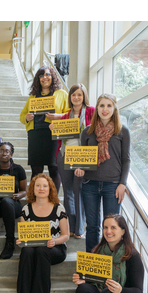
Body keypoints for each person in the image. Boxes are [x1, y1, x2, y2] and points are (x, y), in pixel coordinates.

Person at [75, 93, 131, 253]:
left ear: (114, 109)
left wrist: (122, 184)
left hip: (113, 186)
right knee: (92, 226)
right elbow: (82, 159)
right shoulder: (87, 132)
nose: (105, 109)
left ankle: (110, 265)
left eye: (109, 106)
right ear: (97, 108)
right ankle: (92, 266)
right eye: (101, 106)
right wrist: (79, 168)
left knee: (112, 229)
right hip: (89, 184)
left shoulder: (122, 131)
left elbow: (126, 160)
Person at [15, 174, 69, 293]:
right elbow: (24, 234)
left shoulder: (58, 208)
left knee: (43, 250)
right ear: (32, 189)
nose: (41, 188)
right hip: (34, 248)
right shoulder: (26, 209)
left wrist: (54, 241)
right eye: (38, 185)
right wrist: (21, 240)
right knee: (27, 251)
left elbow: (66, 235)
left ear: (50, 189)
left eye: (45, 186)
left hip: (55, 248)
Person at [49, 83, 95, 239]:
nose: (76, 97)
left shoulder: (91, 111)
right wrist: (53, 129)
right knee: (67, 191)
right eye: (73, 95)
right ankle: (71, 226)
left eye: (79, 95)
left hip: (81, 155)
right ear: (70, 98)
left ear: (84, 96)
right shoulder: (66, 115)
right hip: (64, 155)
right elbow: (59, 137)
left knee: (79, 190)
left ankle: (80, 228)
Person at [19, 65, 69, 192]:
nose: (44, 78)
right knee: (36, 169)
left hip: (54, 134)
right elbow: (22, 115)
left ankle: (54, 201)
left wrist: (58, 116)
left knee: (54, 168)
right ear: (38, 79)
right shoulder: (33, 96)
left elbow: (70, 114)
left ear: (53, 77)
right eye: (41, 75)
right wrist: (27, 117)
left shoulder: (61, 94)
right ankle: (35, 200)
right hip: (35, 135)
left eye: (47, 74)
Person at [0, 142, 27, 260]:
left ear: (11, 154)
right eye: (1, 151)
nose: (4, 153)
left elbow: (24, 191)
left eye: (7, 151)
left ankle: (10, 242)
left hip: (12, 205)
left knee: (7, 201)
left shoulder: (18, 169)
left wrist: (18, 195)